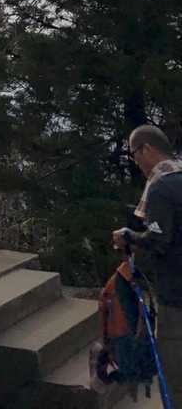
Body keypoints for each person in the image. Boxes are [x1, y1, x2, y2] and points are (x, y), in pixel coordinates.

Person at [112, 124, 182, 387]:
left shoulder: (160, 188)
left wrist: (129, 235)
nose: (135, 161)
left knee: (174, 373)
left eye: (134, 154)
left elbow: (158, 241)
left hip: (175, 297)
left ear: (147, 149)